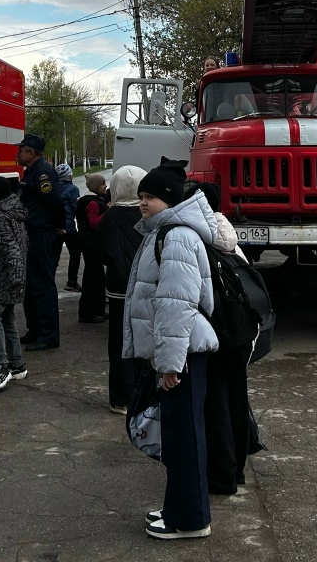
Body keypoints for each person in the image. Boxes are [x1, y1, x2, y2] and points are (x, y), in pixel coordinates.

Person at [123, 160, 219, 540]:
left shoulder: (176, 236)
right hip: (180, 351)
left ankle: (190, 520)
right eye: (141, 196)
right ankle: (179, 508)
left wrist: (169, 363)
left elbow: (176, 304)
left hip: (182, 352)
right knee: (180, 435)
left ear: (169, 199)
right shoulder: (166, 231)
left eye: (150, 197)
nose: (142, 203)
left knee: (183, 437)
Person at [186, 181, 253, 496]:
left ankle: (221, 476)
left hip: (216, 335)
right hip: (237, 334)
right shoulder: (228, 238)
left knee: (215, 408)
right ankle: (234, 470)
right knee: (236, 403)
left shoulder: (199, 240)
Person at [89, 165, 147, 412]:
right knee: (144, 339)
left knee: (119, 342)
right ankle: (142, 392)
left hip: (117, 288)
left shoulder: (109, 217)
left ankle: (120, 398)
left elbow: (99, 252)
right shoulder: (148, 215)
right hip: (144, 287)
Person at [16, 134, 65, 351]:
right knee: (30, 284)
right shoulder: (31, 172)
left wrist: (59, 225)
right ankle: (35, 329)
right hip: (30, 233)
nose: (18, 154)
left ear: (32, 153)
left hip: (41, 234)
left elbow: (54, 201)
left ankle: (48, 335)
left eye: (22, 150)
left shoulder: (43, 172)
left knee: (42, 285)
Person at [0, 177, 29, 392]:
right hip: (11, 275)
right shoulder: (15, 213)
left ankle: (1, 367)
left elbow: (11, 249)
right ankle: (17, 364)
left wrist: (16, 277)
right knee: (7, 318)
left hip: (3, 276)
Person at [76, 173, 111, 323]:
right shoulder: (92, 203)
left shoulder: (91, 200)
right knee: (93, 278)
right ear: (96, 187)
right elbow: (94, 223)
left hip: (90, 243)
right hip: (91, 244)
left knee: (97, 277)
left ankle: (97, 310)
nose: (105, 187)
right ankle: (89, 312)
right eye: (103, 184)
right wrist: (108, 211)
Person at [55, 163, 82, 292]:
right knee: (75, 253)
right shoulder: (72, 189)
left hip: (55, 228)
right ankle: (72, 281)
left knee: (54, 255)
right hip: (69, 227)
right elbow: (76, 207)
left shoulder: (53, 188)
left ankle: (48, 280)